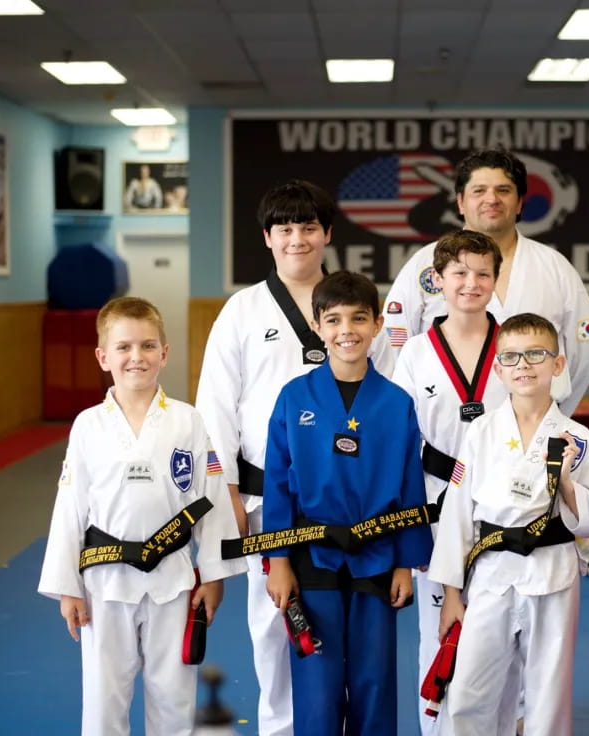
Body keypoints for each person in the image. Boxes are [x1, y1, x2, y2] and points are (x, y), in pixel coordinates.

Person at [195, 180, 393, 736]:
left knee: (357, 629)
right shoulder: (242, 310)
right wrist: (225, 488)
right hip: (267, 495)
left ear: (327, 234)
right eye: (285, 228)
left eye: (309, 228)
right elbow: (215, 405)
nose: (297, 239)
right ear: (267, 237)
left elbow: (388, 402)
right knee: (276, 623)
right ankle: (282, 729)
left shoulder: (354, 304)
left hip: (355, 501)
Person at [37, 296, 246, 736]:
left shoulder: (189, 421)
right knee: (103, 699)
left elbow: (209, 501)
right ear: (103, 356)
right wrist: (66, 588)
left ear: (165, 354)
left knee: (174, 697)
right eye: (125, 347)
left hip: (173, 579)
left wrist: (214, 574)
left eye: (149, 346)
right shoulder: (88, 425)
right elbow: (70, 506)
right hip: (104, 584)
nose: (137, 357)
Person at [263, 271, 434, 736]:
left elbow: (409, 484)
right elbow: (277, 482)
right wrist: (277, 560)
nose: (347, 330)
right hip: (310, 553)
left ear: (378, 324)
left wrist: (405, 562)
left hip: (377, 557)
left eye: (359, 318)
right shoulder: (294, 397)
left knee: (374, 681)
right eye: (334, 319)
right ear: (318, 326)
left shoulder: (396, 402)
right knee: (317, 683)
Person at [428, 313, 589, 736]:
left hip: (551, 572)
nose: (523, 365)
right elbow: (457, 513)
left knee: (548, 693)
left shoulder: (576, 437)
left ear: (557, 364)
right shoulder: (481, 431)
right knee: (469, 692)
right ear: (497, 368)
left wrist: (564, 478)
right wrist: (451, 594)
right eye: (510, 357)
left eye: (535, 354)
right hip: (489, 574)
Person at [391, 229, 511, 735]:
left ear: (496, 279)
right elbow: (401, 444)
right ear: (436, 280)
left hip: (507, 507)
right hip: (436, 506)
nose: (471, 283)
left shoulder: (517, 343)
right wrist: (408, 527)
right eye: (459, 272)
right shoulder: (416, 352)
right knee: (440, 631)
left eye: (483, 273)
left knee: (504, 631)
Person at [383, 147, 589, 415]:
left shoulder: (553, 267)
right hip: (443, 427)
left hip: (534, 425)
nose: (492, 199)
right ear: (461, 202)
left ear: (520, 202)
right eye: (479, 191)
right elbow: (393, 347)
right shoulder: (424, 265)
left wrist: (555, 412)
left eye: (504, 190)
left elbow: (586, 355)